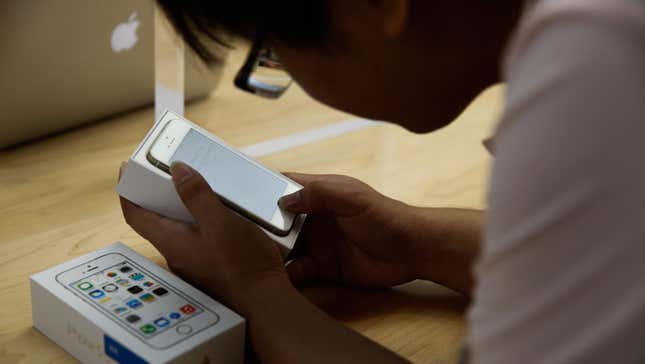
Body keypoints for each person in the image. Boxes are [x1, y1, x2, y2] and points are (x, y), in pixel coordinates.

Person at [119, 1, 645, 363]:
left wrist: (256, 292)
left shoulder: (597, 75)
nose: (282, 70)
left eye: (272, 48)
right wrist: (413, 241)